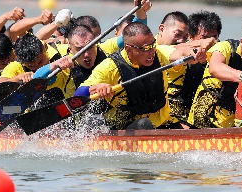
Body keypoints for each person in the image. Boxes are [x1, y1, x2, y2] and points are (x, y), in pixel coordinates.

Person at [75, 22, 204, 130]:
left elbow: (179, 53)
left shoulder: (158, 54)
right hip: (125, 128)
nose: (151, 52)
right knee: (144, 124)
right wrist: (95, 88)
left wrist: (193, 54)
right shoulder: (109, 67)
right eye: (145, 48)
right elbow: (78, 94)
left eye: (152, 45)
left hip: (163, 123)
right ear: (129, 49)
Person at [164, 10, 221, 126]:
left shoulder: (220, 54)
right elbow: (175, 49)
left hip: (204, 119)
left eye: (214, 38)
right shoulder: (175, 51)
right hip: (175, 118)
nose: (210, 43)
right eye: (204, 38)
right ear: (190, 37)